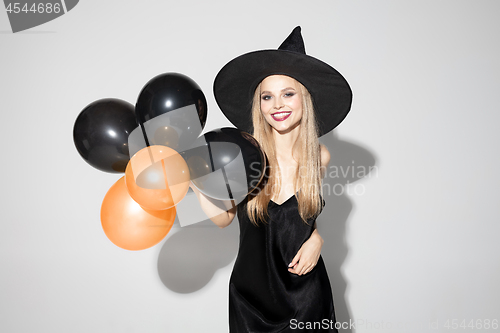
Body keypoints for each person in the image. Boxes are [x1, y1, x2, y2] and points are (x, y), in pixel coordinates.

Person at [192, 26, 352, 332]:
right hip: (250, 300)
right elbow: (224, 219)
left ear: (305, 99)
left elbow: (301, 217)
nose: (277, 104)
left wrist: (317, 238)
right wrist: (195, 181)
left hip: (305, 298)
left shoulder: (320, 156)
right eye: (268, 96)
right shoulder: (241, 153)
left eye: (288, 93)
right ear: (259, 104)